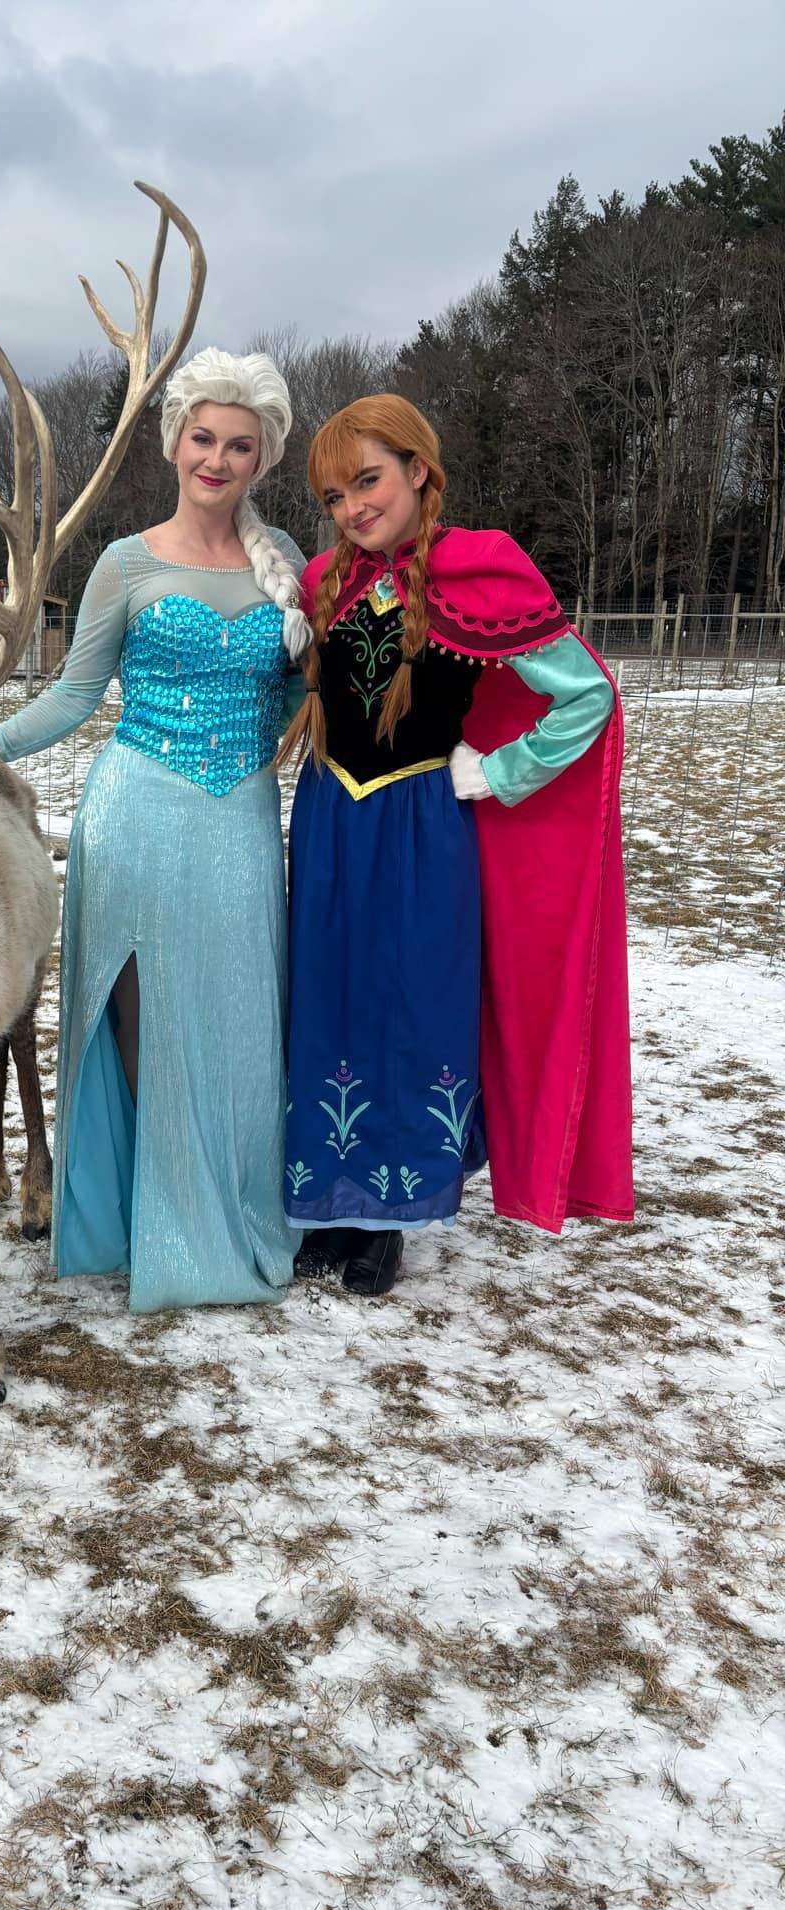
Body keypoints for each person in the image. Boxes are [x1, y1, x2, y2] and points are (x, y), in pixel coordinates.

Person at [280, 395, 632, 1295]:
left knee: (409, 1007)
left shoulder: (482, 572)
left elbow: (586, 697)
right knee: (325, 1000)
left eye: (368, 481)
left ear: (418, 470)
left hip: (422, 827)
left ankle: (391, 1217)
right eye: (335, 496)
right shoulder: (324, 578)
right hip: (326, 823)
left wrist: (499, 773)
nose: (355, 508)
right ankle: (333, 1203)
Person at [0, 348, 310, 1309]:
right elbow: (72, 698)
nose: (217, 459)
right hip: (133, 816)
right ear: (174, 444)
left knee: (243, 1023)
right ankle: (147, 1219)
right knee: (140, 1023)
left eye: (239, 445)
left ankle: (225, 1210)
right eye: (203, 438)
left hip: (243, 823)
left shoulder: (284, 564)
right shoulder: (125, 564)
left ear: (262, 458)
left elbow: (308, 696)